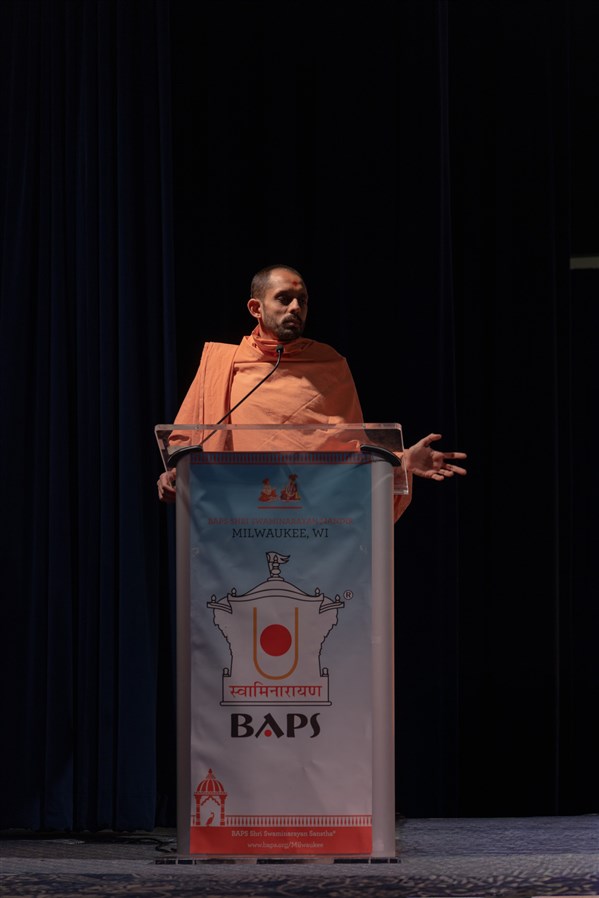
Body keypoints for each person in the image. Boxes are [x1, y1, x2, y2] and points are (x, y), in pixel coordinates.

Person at [157, 264, 466, 514]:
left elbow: (353, 450)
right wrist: (175, 475)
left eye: (302, 301)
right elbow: (186, 443)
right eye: (284, 299)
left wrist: (402, 460)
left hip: (315, 522)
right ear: (255, 308)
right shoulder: (223, 363)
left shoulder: (329, 364)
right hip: (235, 519)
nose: (295, 307)